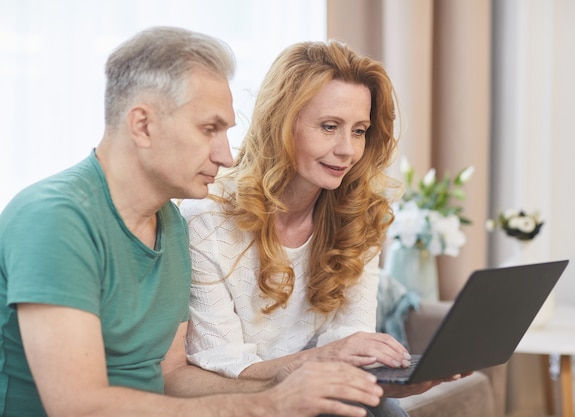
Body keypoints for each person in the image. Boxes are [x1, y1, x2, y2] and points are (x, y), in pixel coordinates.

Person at [0, 26, 389, 417]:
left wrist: (288, 379)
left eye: (225, 132)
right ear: (143, 125)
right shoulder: (54, 218)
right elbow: (78, 407)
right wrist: (268, 405)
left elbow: (171, 375)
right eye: (209, 129)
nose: (226, 156)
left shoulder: (169, 223)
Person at [179, 40, 461, 417]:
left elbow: (349, 337)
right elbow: (222, 365)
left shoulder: (360, 216)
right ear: (281, 123)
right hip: (242, 402)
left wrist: (392, 376)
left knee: (379, 405)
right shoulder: (206, 221)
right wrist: (320, 361)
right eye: (330, 127)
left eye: (359, 131)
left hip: (321, 396)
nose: (347, 150)